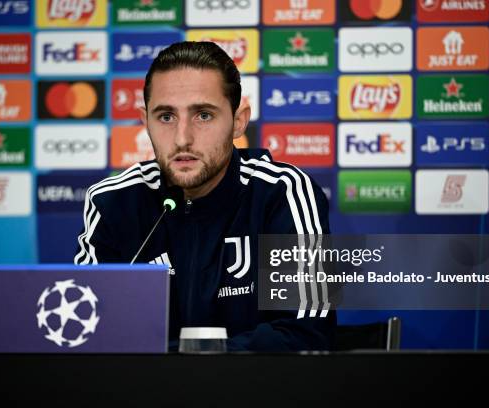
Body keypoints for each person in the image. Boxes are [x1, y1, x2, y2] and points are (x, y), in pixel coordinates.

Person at [74, 41, 335, 351]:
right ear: (145, 121)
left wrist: (192, 363)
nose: (183, 138)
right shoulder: (113, 202)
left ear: (238, 120)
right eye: (166, 117)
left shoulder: (281, 194)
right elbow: (89, 333)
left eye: (204, 115)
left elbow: (306, 333)